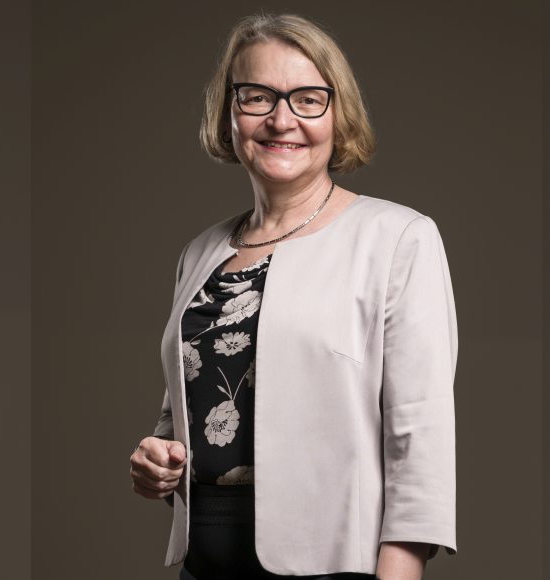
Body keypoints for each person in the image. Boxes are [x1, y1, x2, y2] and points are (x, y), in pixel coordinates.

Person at [128, 13, 456, 580]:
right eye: (257, 97)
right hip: (203, 562)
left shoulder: (397, 238)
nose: (282, 120)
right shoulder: (200, 253)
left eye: (308, 99)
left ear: (339, 113)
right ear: (229, 112)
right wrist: (156, 461)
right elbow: (183, 416)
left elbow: (419, 436)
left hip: (331, 564)